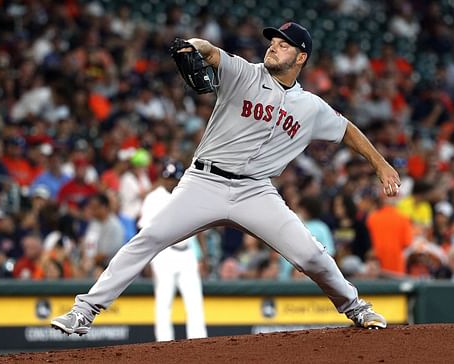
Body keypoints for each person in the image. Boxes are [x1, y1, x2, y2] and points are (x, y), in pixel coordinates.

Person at [51, 21, 401, 336]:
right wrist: (194, 45)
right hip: (204, 182)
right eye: (272, 42)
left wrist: (380, 164)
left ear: (301, 57)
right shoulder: (245, 73)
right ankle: (84, 311)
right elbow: (212, 51)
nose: (273, 47)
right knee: (149, 238)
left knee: (310, 256)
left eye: (283, 44)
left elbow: (347, 131)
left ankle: (355, 307)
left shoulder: (311, 107)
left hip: (255, 191)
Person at [138, 160, 207, 342]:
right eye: (168, 178)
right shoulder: (153, 198)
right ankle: (163, 345)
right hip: (164, 255)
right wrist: (147, 259)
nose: (171, 182)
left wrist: (202, 257)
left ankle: (199, 343)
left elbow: (199, 228)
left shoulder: (189, 195)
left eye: (174, 178)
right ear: (162, 178)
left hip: (188, 253)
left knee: (194, 303)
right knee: (163, 303)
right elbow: (145, 232)